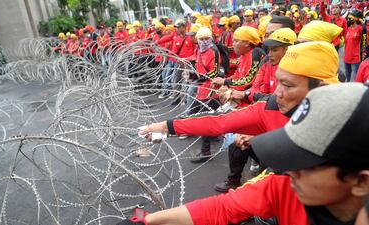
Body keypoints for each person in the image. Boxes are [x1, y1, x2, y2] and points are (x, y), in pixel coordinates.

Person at [119, 82, 369, 225]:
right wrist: (147, 220)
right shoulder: (285, 187)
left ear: (360, 181)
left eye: (305, 163)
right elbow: (222, 207)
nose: (289, 171)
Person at [140, 42, 339, 190]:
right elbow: (219, 122)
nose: (277, 92)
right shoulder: (270, 108)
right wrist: (166, 127)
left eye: (287, 85)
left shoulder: (351, 125)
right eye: (278, 83)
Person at [184, 27, 222, 162]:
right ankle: (214, 135)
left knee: (205, 118)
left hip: (212, 90)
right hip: (202, 89)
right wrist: (193, 75)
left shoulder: (214, 51)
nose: (204, 42)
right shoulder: (198, 50)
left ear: (211, 39)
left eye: (207, 39)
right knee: (209, 116)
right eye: (201, 39)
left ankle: (205, 152)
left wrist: (199, 78)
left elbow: (215, 72)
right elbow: (198, 64)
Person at [345, 9, 367, 82]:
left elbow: (365, 41)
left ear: (357, 18)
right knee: (347, 79)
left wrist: (363, 26)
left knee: (354, 81)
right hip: (346, 58)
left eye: (352, 16)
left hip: (356, 59)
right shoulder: (348, 28)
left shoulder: (361, 29)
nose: (350, 18)